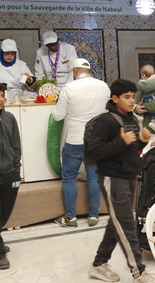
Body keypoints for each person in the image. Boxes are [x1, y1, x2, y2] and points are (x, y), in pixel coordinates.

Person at [86, 79, 155, 283]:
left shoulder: (130, 119)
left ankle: (99, 264)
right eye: (126, 97)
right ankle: (139, 272)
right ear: (115, 98)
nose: (131, 101)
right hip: (112, 178)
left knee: (117, 221)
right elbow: (94, 150)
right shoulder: (107, 121)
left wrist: (140, 141)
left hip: (128, 176)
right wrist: (122, 141)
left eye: (133, 97)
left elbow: (128, 149)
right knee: (126, 224)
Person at [51, 58, 110, 228]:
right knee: (93, 177)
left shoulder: (69, 88)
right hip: (96, 141)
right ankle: (93, 216)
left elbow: (58, 116)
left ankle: (71, 217)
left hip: (75, 141)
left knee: (69, 177)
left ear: (75, 71)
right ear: (88, 70)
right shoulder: (104, 86)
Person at [0, 83, 22, 270]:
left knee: (4, 212)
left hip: (10, 173)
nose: (2, 99)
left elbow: (16, 146)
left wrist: (16, 169)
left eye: (2, 95)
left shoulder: (10, 118)